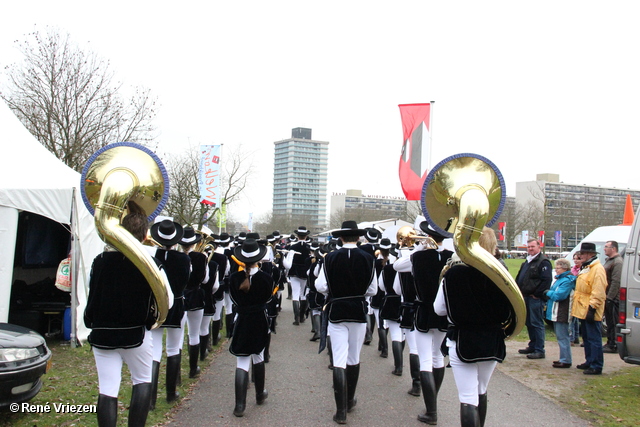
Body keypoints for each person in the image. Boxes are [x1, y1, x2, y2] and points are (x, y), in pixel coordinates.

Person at [84, 201, 172, 427]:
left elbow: (90, 289)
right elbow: (167, 300)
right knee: (142, 381)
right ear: (144, 236)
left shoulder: (99, 261)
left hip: (102, 331)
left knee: (107, 389)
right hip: (135, 332)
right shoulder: (151, 263)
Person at [434, 227, 515, 427]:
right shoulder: (500, 273)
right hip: (492, 340)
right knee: (481, 389)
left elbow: (439, 309)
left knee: (468, 396)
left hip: (463, 339)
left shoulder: (452, 273)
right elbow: (508, 311)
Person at [315, 221, 378, 424]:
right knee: (353, 358)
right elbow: (373, 290)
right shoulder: (369, 258)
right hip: (358, 311)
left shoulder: (330, 257)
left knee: (339, 360)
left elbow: (321, 286)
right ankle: (349, 400)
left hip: (337, 310)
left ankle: (340, 410)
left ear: (341, 238)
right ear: (358, 237)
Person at [395, 222, 453, 424]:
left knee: (426, 360)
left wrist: (418, 247)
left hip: (423, 311)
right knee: (438, 358)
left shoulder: (417, 257)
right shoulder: (450, 257)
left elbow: (397, 266)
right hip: (443, 312)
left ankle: (432, 411)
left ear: (426, 236)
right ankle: (432, 403)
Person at [228, 239, 275, 417]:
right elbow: (269, 300)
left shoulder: (234, 278)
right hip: (259, 320)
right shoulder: (267, 278)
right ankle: (260, 394)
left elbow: (233, 300)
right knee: (259, 355)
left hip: (242, 319)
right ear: (259, 259)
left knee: (241, 361)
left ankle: (239, 405)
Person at [148, 219, 191, 407]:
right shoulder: (184, 258)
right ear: (176, 240)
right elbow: (187, 280)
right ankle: (171, 393)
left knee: (154, 351)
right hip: (177, 305)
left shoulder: (149, 256)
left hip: (156, 306)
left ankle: (150, 399)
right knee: (174, 348)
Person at [179, 227, 210, 379]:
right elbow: (205, 279)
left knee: (177, 337)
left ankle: (176, 375)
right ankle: (193, 368)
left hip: (179, 296)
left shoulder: (175, 256)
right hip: (196, 295)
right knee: (194, 333)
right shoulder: (201, 257)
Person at [572, 242, 607, 375]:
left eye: (583, 254)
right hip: (582, 307)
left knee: (594, 338)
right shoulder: (587, 267)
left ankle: (596, 364)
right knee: (586, 337)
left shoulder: (597, 269)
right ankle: (589, 360)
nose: (581, 256)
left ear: (590, 254)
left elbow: (598, 291)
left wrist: (592, 308)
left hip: (590, 307)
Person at [515, 238, 553, 359]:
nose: (530, 249)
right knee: (529, 323)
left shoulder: (543, 262)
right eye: (529, 247)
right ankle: (532, 345)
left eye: (532, 246)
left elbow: (546, 280)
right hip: (525, 297)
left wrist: (537, 294)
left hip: (535, 298)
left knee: (536, 323)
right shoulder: (527, 261)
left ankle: (539, 349)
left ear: (539, 247)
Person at [543, 258, 576, 368]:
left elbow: (559, 296)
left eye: (558, 268)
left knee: (563, 336)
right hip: (557, 311)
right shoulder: (560, 279)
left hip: (562, 312)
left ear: (564, 268)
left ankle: (566, 359)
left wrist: (549, 293)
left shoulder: (567, 280)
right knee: (560, 336)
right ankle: (563, 357)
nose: (556, 270)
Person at [284, 226, 312, 325]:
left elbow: (288, 262)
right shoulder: (310, 247)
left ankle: (296, 318)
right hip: (305, 272)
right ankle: (302, 316)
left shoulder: (293, 247)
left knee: (295, 295)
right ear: (306, 236)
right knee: (303, 295)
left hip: (294, 272)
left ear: (297, 236)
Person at [603, 240, 623, 353]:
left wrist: (609, 297)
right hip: (607, 295)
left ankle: (613, 344)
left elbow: (616, 281)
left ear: (613, 248)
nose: (604, 249)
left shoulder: (617, 262)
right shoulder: (609, 261)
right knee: (609, 321)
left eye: (606, 247)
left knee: (613, 321)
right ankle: (610, 341)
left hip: (614, 298)